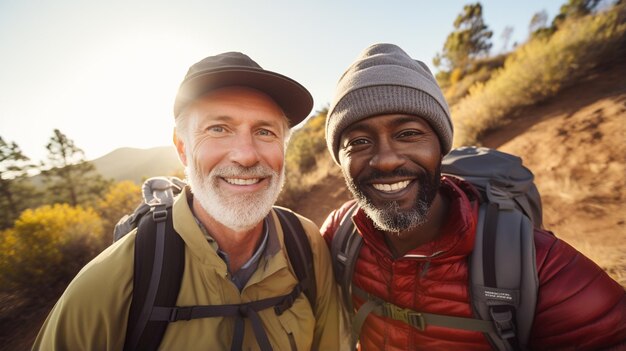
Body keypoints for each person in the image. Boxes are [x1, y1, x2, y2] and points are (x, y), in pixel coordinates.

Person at [321, 43, 626, 350]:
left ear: (441, 147)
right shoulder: (340, 234)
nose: (385, 160)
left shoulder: (537, 264)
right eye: (358, 141)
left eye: (408, 133)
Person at [33, 52, 344, 350]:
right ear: (182, 147)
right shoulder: (107, 285)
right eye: (218, 129)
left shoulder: (307, 245)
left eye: (265, 132)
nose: (247, 155)